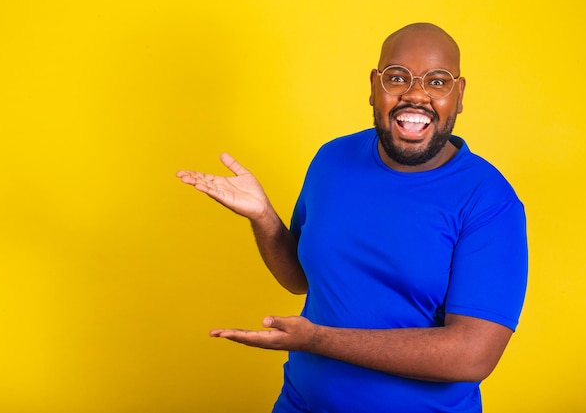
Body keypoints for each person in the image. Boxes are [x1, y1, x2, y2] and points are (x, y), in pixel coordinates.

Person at [176, 22, 528, 413]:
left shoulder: (489, 200)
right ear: (375, 87)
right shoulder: (333, 159)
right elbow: (300, 279)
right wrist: (263, 217)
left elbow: (472, 355)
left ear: (459, 95)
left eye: (437, 82)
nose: (415, 94)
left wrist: (318, 340)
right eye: (397, 78)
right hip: (300, 403)